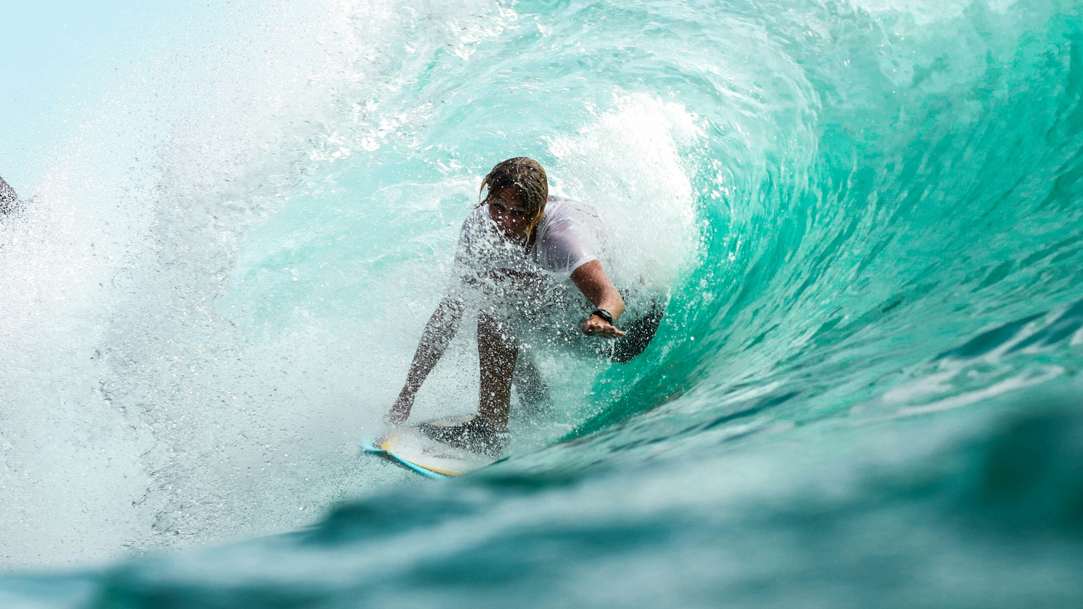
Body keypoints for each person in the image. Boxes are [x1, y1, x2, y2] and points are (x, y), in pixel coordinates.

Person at [384, 157, 663, 455]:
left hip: (627, 330)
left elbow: (612, 296)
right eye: (498, 207)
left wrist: (602, 316)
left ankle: (491, 431)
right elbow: (449, 313)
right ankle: (536, 406)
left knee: (496, 312)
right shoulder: (479, 225)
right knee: (495, 292)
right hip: (574, 315)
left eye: (518, 213)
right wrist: (407, 394)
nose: (505, 221)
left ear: (539, 208)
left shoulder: (561, 237)